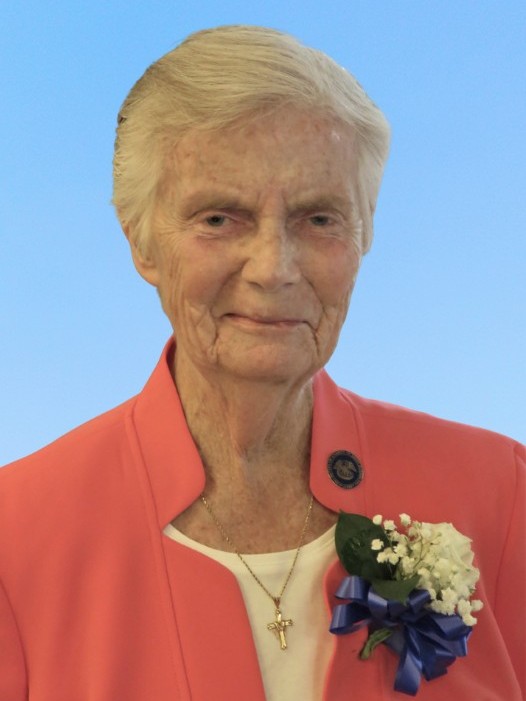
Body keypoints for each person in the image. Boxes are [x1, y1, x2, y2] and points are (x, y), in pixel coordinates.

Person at [0, 25, 523, 701]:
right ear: (142, 242)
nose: (274, 268)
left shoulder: (501, 494)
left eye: (319, 218)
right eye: (220, 218)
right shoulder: (16, 536)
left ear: (365, 232)